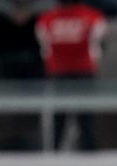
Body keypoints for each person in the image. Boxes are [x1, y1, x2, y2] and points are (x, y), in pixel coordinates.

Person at [35, 0, 106, 150]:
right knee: (85, 120)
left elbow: (44, 49)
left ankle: (53, 155)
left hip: (58, 74)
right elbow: (99, 45)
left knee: (59, 122)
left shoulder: (47, 19)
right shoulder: (92, 17)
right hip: (83, 74)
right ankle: (90, 156)